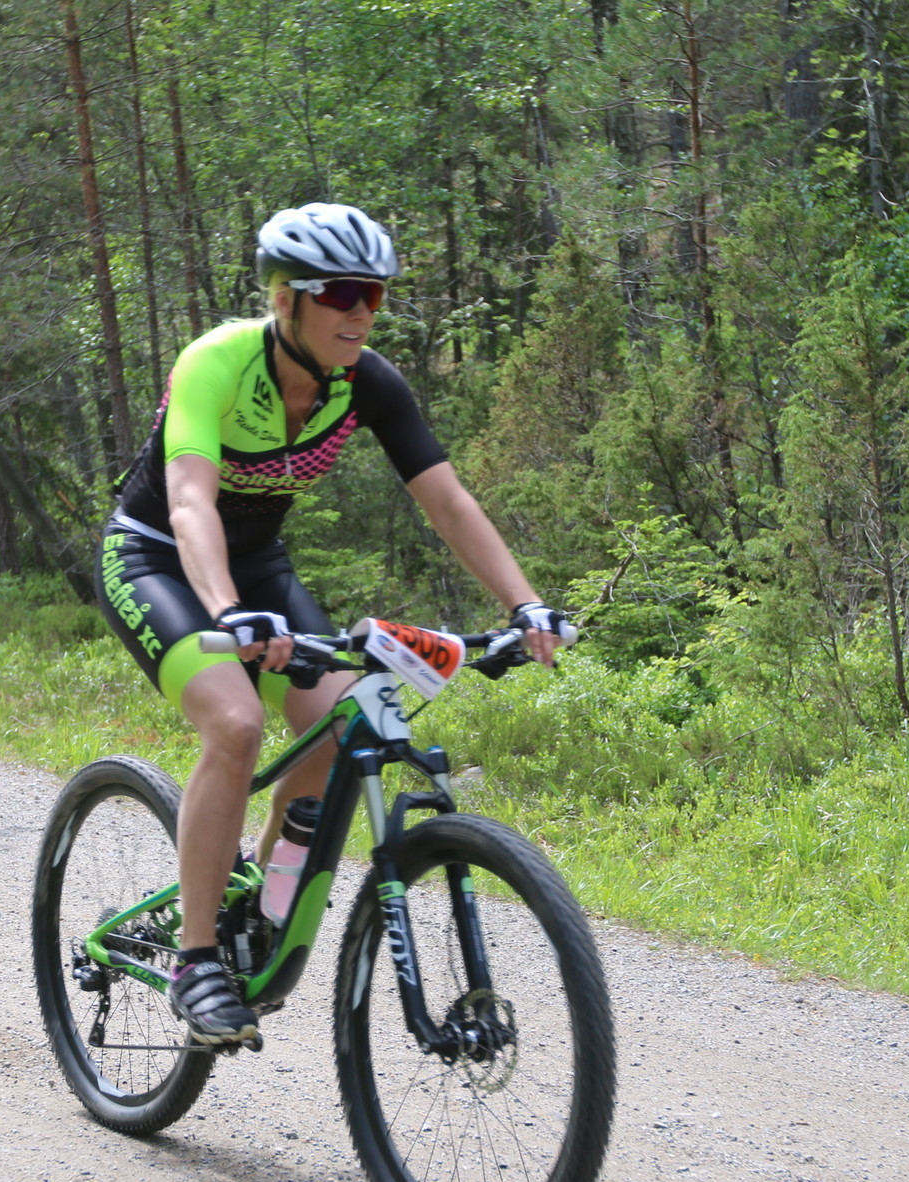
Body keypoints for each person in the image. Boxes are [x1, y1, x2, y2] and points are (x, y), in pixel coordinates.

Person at [98, 202, 571, 1044]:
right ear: (285, 299)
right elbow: (190, 501)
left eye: (375, 295)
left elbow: (448, 501)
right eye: (342, 293)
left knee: (339, 725)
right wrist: (227, 612)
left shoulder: (366, 383)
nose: (361, 312)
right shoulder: (216, 362)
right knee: (236, 724)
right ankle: (196, 959)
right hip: (157, 557)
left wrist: (523, 603)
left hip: (258, 566)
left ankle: (259, 907)